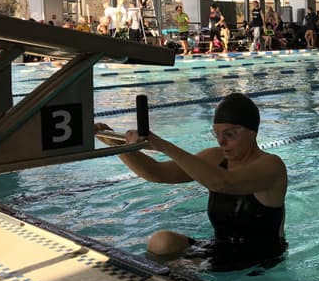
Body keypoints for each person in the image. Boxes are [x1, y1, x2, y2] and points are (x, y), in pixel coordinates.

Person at [95, 93, 288, 271]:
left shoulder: (271, 165)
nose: (221, 141)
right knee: (162, 242)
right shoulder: (215, 157)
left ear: (252, 132)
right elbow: (158, 173)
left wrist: (162, 145)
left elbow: (223, 183)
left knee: (177, 266)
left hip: (261, 259)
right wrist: (118, 146)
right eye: (217, 134)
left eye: (229, 134)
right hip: (221, 249)